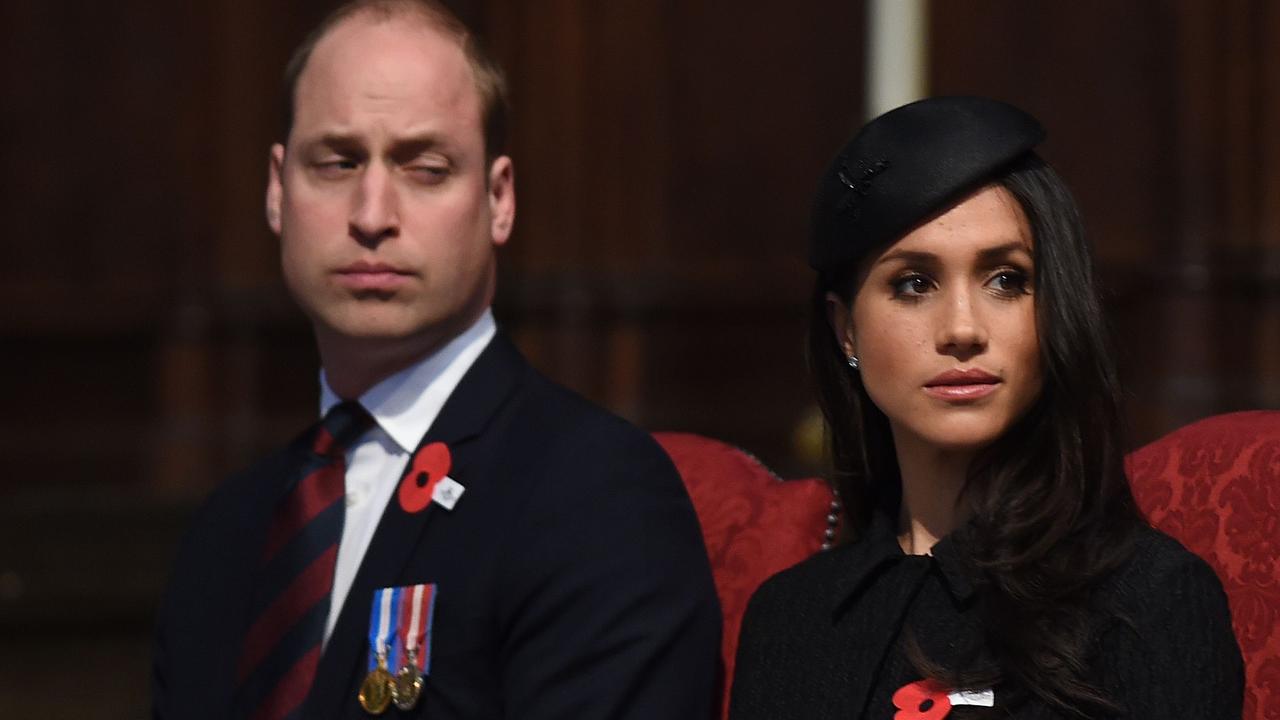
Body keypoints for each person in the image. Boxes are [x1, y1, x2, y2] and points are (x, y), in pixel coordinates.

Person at [151, 2, 720, 718]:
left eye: (425, 168)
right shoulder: (226, 530)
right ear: (277, 189)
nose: (372, 213)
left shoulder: (592, 493)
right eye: (336, 163)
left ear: (498, 199)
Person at [728, 97, 1243, 719]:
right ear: (847, 332)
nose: (963, 329)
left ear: (1054, 310)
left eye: (1006, 279)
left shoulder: (1151, 599)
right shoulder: (789, 618)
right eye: (914, 283)